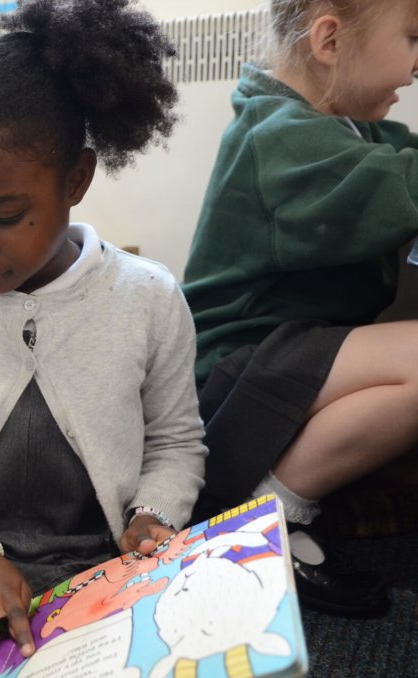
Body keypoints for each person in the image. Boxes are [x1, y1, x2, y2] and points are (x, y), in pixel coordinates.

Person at [0, 0, 207, 664]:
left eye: (5, 214)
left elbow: (176, 442)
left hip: (106, 568)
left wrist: (155, 517)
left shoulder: (148, 298)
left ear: (76, 179)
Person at [182, 0, 418, 618]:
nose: (417, 65)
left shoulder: (342, 129)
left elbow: (401, 162)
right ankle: (267, 515)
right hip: (233, 382)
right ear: (330, 41)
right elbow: (394, 186)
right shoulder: (279, 137)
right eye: (413, 39)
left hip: (279, 364)